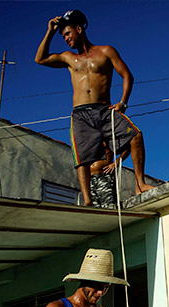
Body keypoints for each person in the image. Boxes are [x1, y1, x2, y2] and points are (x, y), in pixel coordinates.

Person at [35, 9, 153, 207]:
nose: (65, 38)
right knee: (83, 159)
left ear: (79, 29)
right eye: (62, 35)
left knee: (135, 136)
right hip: (80, 113)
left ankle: (140, 184)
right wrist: (50, 31)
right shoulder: (68, 58)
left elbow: (127, 76)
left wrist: (123, 102)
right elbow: (40, 58)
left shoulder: (106, 51)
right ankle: (88, 201)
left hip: (104, 110)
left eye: (67, 33)